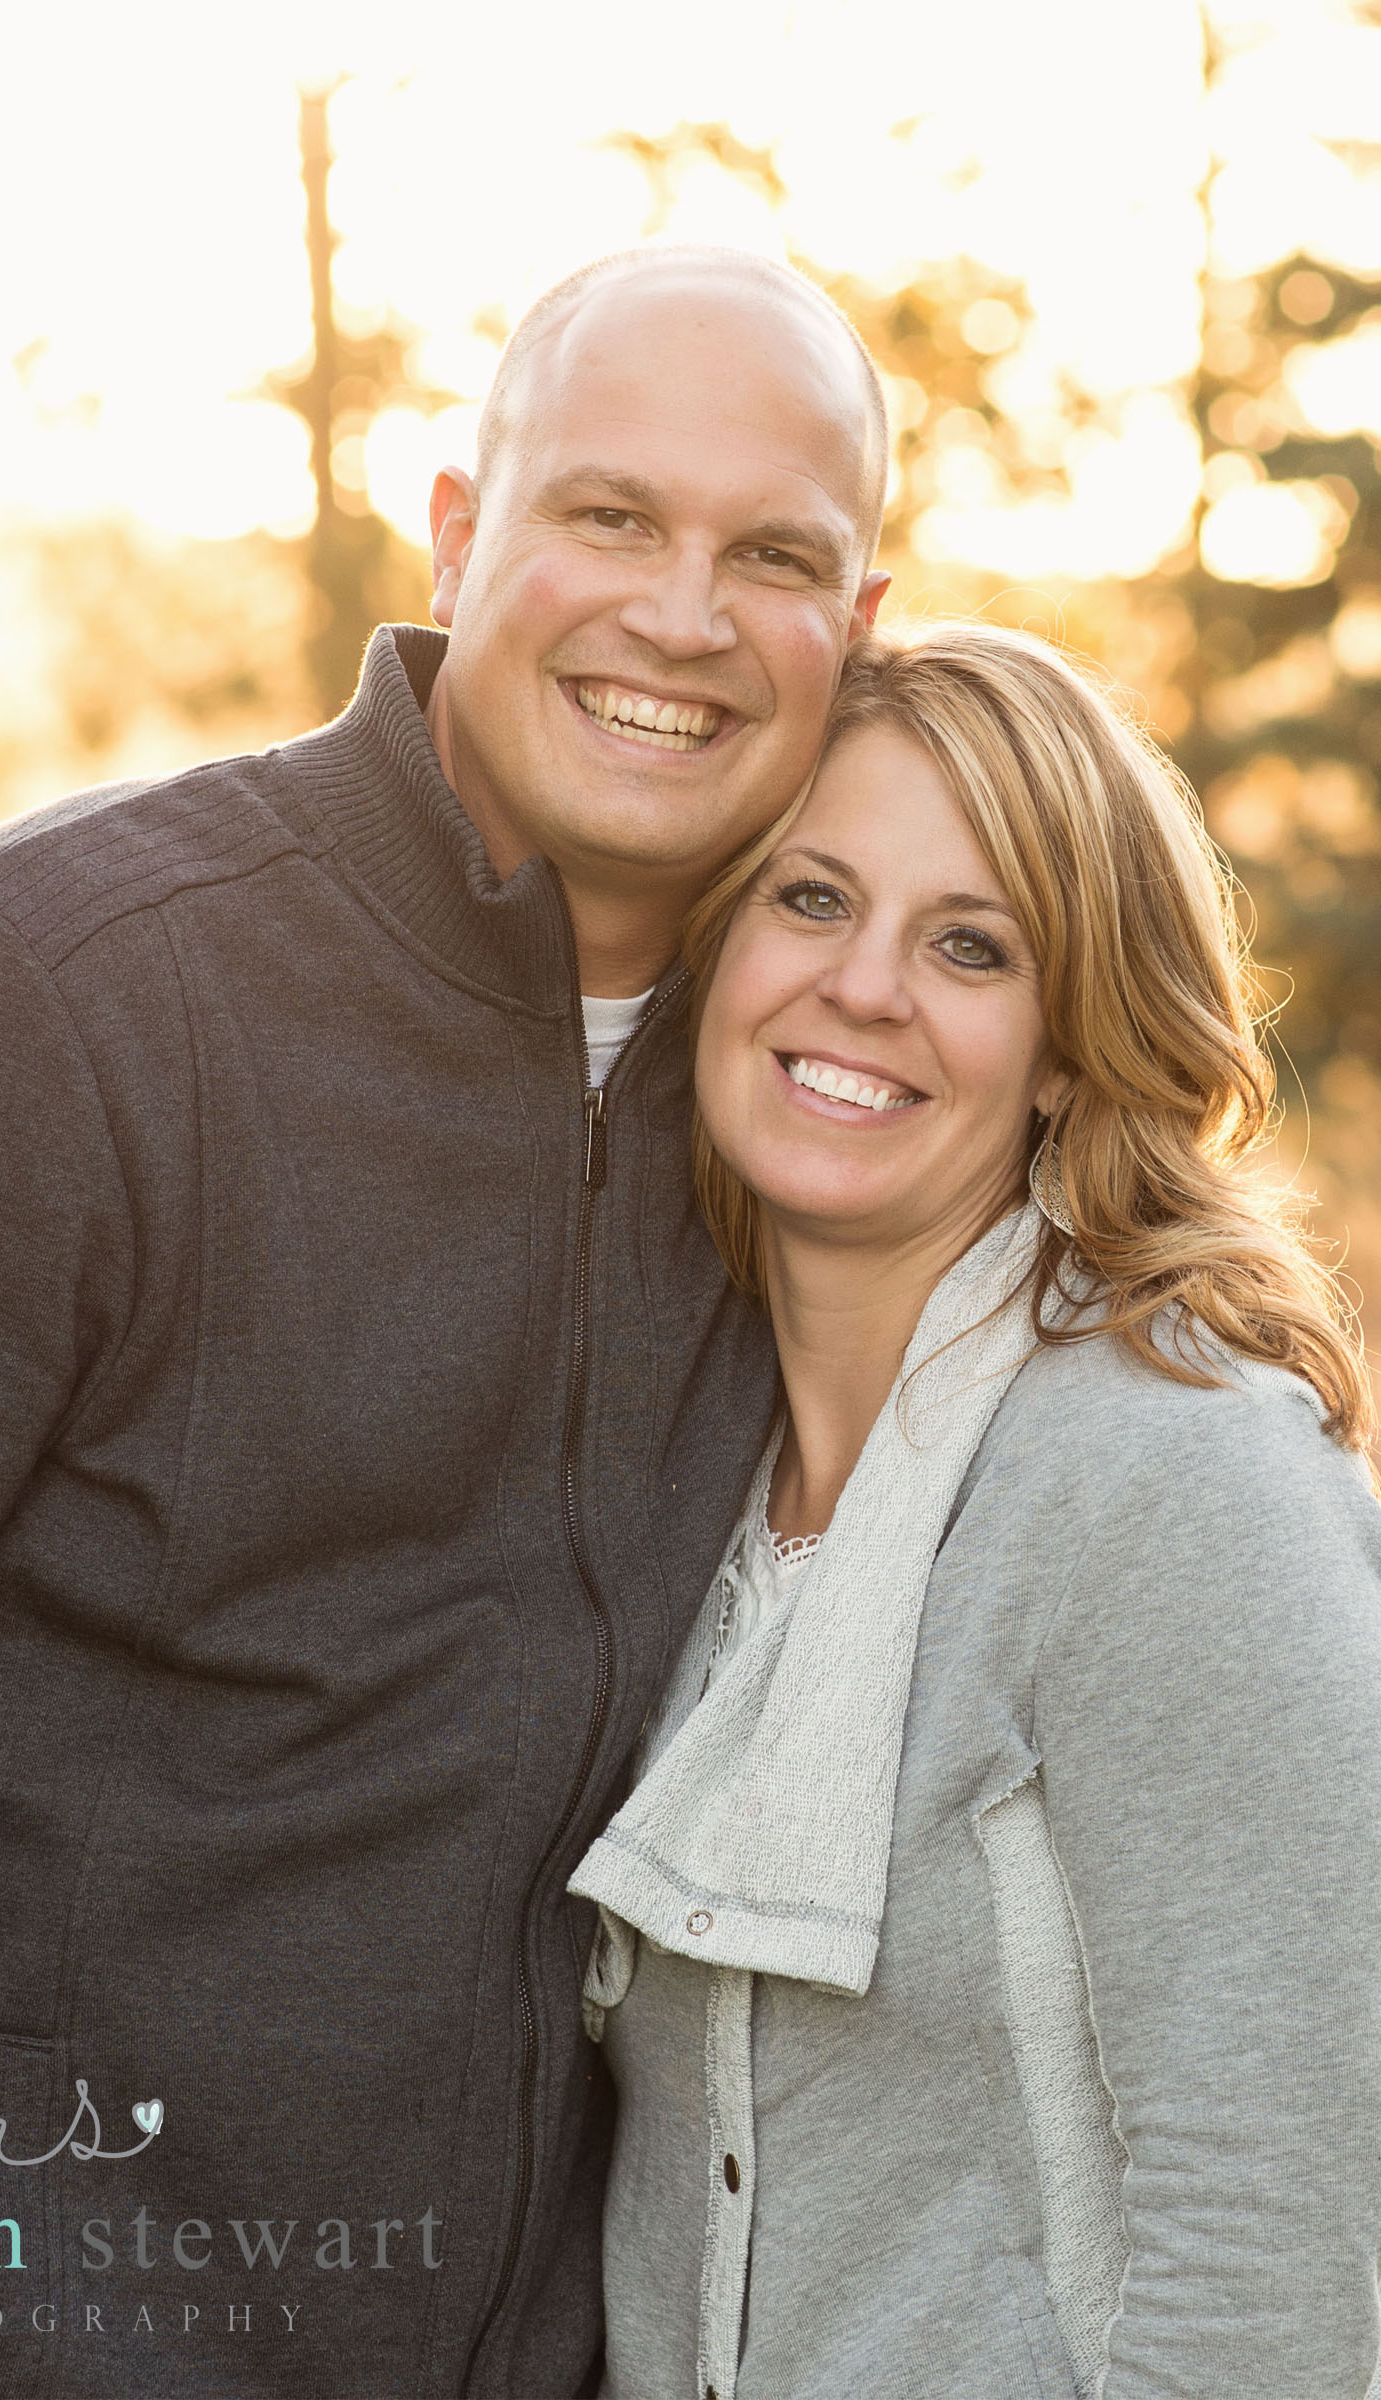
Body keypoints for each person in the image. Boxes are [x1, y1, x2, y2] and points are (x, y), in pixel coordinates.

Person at [0, 244, 889, 2398]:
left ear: (859, 629)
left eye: (772, 554)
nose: (681, 614)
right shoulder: (92, 983)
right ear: (463, 527)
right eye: (609, 516)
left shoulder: (847, 1093)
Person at [575, 623, 1381, 2398]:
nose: (865, 987)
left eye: (970, 945)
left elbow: (1287, 2241)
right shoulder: (663, 1476)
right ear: (718, 960)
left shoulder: (1183, 1475)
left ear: (1076, 1048)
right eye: (810, 900)